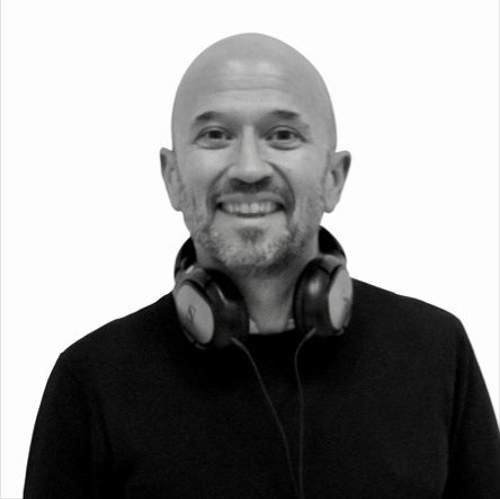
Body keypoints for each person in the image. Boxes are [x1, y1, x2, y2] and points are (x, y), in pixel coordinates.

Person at [24, 33, 499, 499]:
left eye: (283, 136)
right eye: (215, 135)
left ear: (334, 178)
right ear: (172, 178)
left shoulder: (436, 352)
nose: (249, 168)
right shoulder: (93, 379)